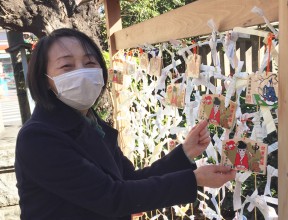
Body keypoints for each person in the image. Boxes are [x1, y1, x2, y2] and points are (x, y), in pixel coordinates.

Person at [15, 28, 236, 220]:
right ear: (44, 78)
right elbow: (112, 197)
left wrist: (184, 153)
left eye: (89, 62)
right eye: (67, 66)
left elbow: (129, 180)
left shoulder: (90, 123)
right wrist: (193, 179)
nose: (81, 72)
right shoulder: (38, 138)